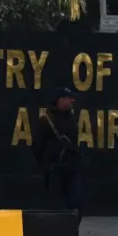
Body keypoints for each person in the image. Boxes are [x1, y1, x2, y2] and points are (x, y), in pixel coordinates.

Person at [32, 87, 83, 226]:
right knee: (56, 207)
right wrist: (47, 164)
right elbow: (37, 146)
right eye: (69, 98)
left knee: (76, 204)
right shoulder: (45, 120)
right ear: (60, 100)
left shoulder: (72, 119)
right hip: (55, 169)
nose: (72, 101)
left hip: (72, 168)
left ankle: (72, 234)